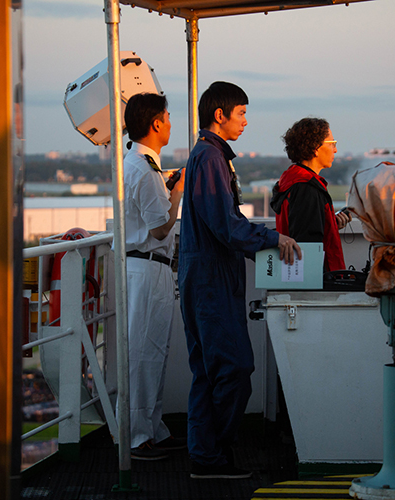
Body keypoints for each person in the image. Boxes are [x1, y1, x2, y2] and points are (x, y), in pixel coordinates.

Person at [178, 81, 301, 479]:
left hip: (208, 276)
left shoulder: (208, 157)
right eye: (242, 113)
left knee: (209, 371)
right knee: (234, 367)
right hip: (211, 280)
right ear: (221, 115)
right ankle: (211, 454)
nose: (246, 121)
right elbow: (226, 225)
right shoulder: (210, 159)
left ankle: (205, 455)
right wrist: (271, 238)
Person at [122, 92, 186, 461]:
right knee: (145, 353)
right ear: (156, 123)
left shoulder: (141, 165)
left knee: (153, 353)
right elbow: (161, 228)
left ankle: (152, 428)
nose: (170, 123)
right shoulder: (144, 171)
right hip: (147, 267)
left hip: (150, 268)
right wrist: (175, 194)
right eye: (167, 117)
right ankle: (137, 437)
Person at [270, 117, 350, 272]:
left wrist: (329, 223)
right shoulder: (306, 188)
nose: (335, 150)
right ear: (316, 148)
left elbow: (301, 226)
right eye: (332, 143)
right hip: (315, 281)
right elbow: (308, 246)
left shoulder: (291, 180)